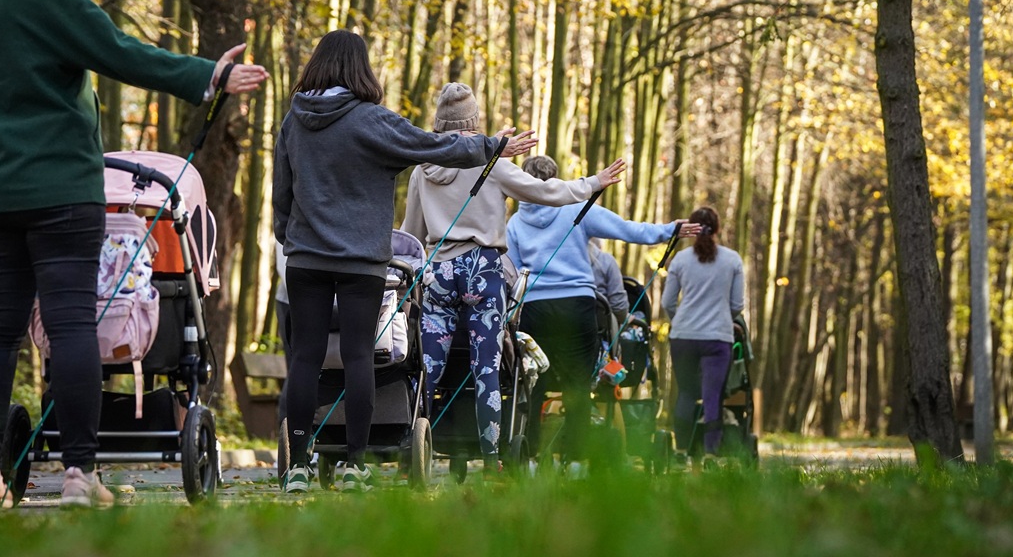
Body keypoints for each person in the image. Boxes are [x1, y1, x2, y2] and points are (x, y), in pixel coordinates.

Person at [0, 0, 268, 508]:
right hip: (61, 189)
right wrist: (210, 76)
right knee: (70, 326)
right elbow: (120, 52)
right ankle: (80, 476)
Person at [273, 31, 535, 494]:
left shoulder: (293, 121)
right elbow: (432, 146)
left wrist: (290, 238)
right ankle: (355, 464)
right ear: (360, 69)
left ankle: (298, 465)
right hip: (362, 263)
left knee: (304, 358)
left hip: (305, 259)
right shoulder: (371, 121)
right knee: (357, 357)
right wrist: (489, 146)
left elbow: (282, 193)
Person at [401, 83, 626, 476]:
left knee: (430, 367)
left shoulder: (423, 168)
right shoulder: (492, 163)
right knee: (486, 368)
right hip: (482, 274)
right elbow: (543, 193)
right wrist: (592, 183)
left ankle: (416, 447)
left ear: (439, 123)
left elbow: (411, 232)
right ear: (474, 121)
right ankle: (491, 459)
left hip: (438, 273)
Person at [505, 156, 701, 470]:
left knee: (534, 383)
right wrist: (670, 230)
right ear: (556, 179)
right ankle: (575, 461)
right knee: (578, 386)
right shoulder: (575, 208)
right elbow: (625, 229)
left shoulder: (515, 222)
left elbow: (513, 273)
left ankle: (530, 457)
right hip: (578, 307)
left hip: (535, 309)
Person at [661, 206, 744, 464]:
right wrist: (722, 320)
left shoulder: (680, 260)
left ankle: (680, 453)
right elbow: (737, 304)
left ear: (692, 229)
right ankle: (709, 453)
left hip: (683, 337)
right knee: (713, 395)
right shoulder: (732, 260)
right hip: (717, 338)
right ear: (718, 229)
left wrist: (682, 322)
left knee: (685, 392)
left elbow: (667, 303)